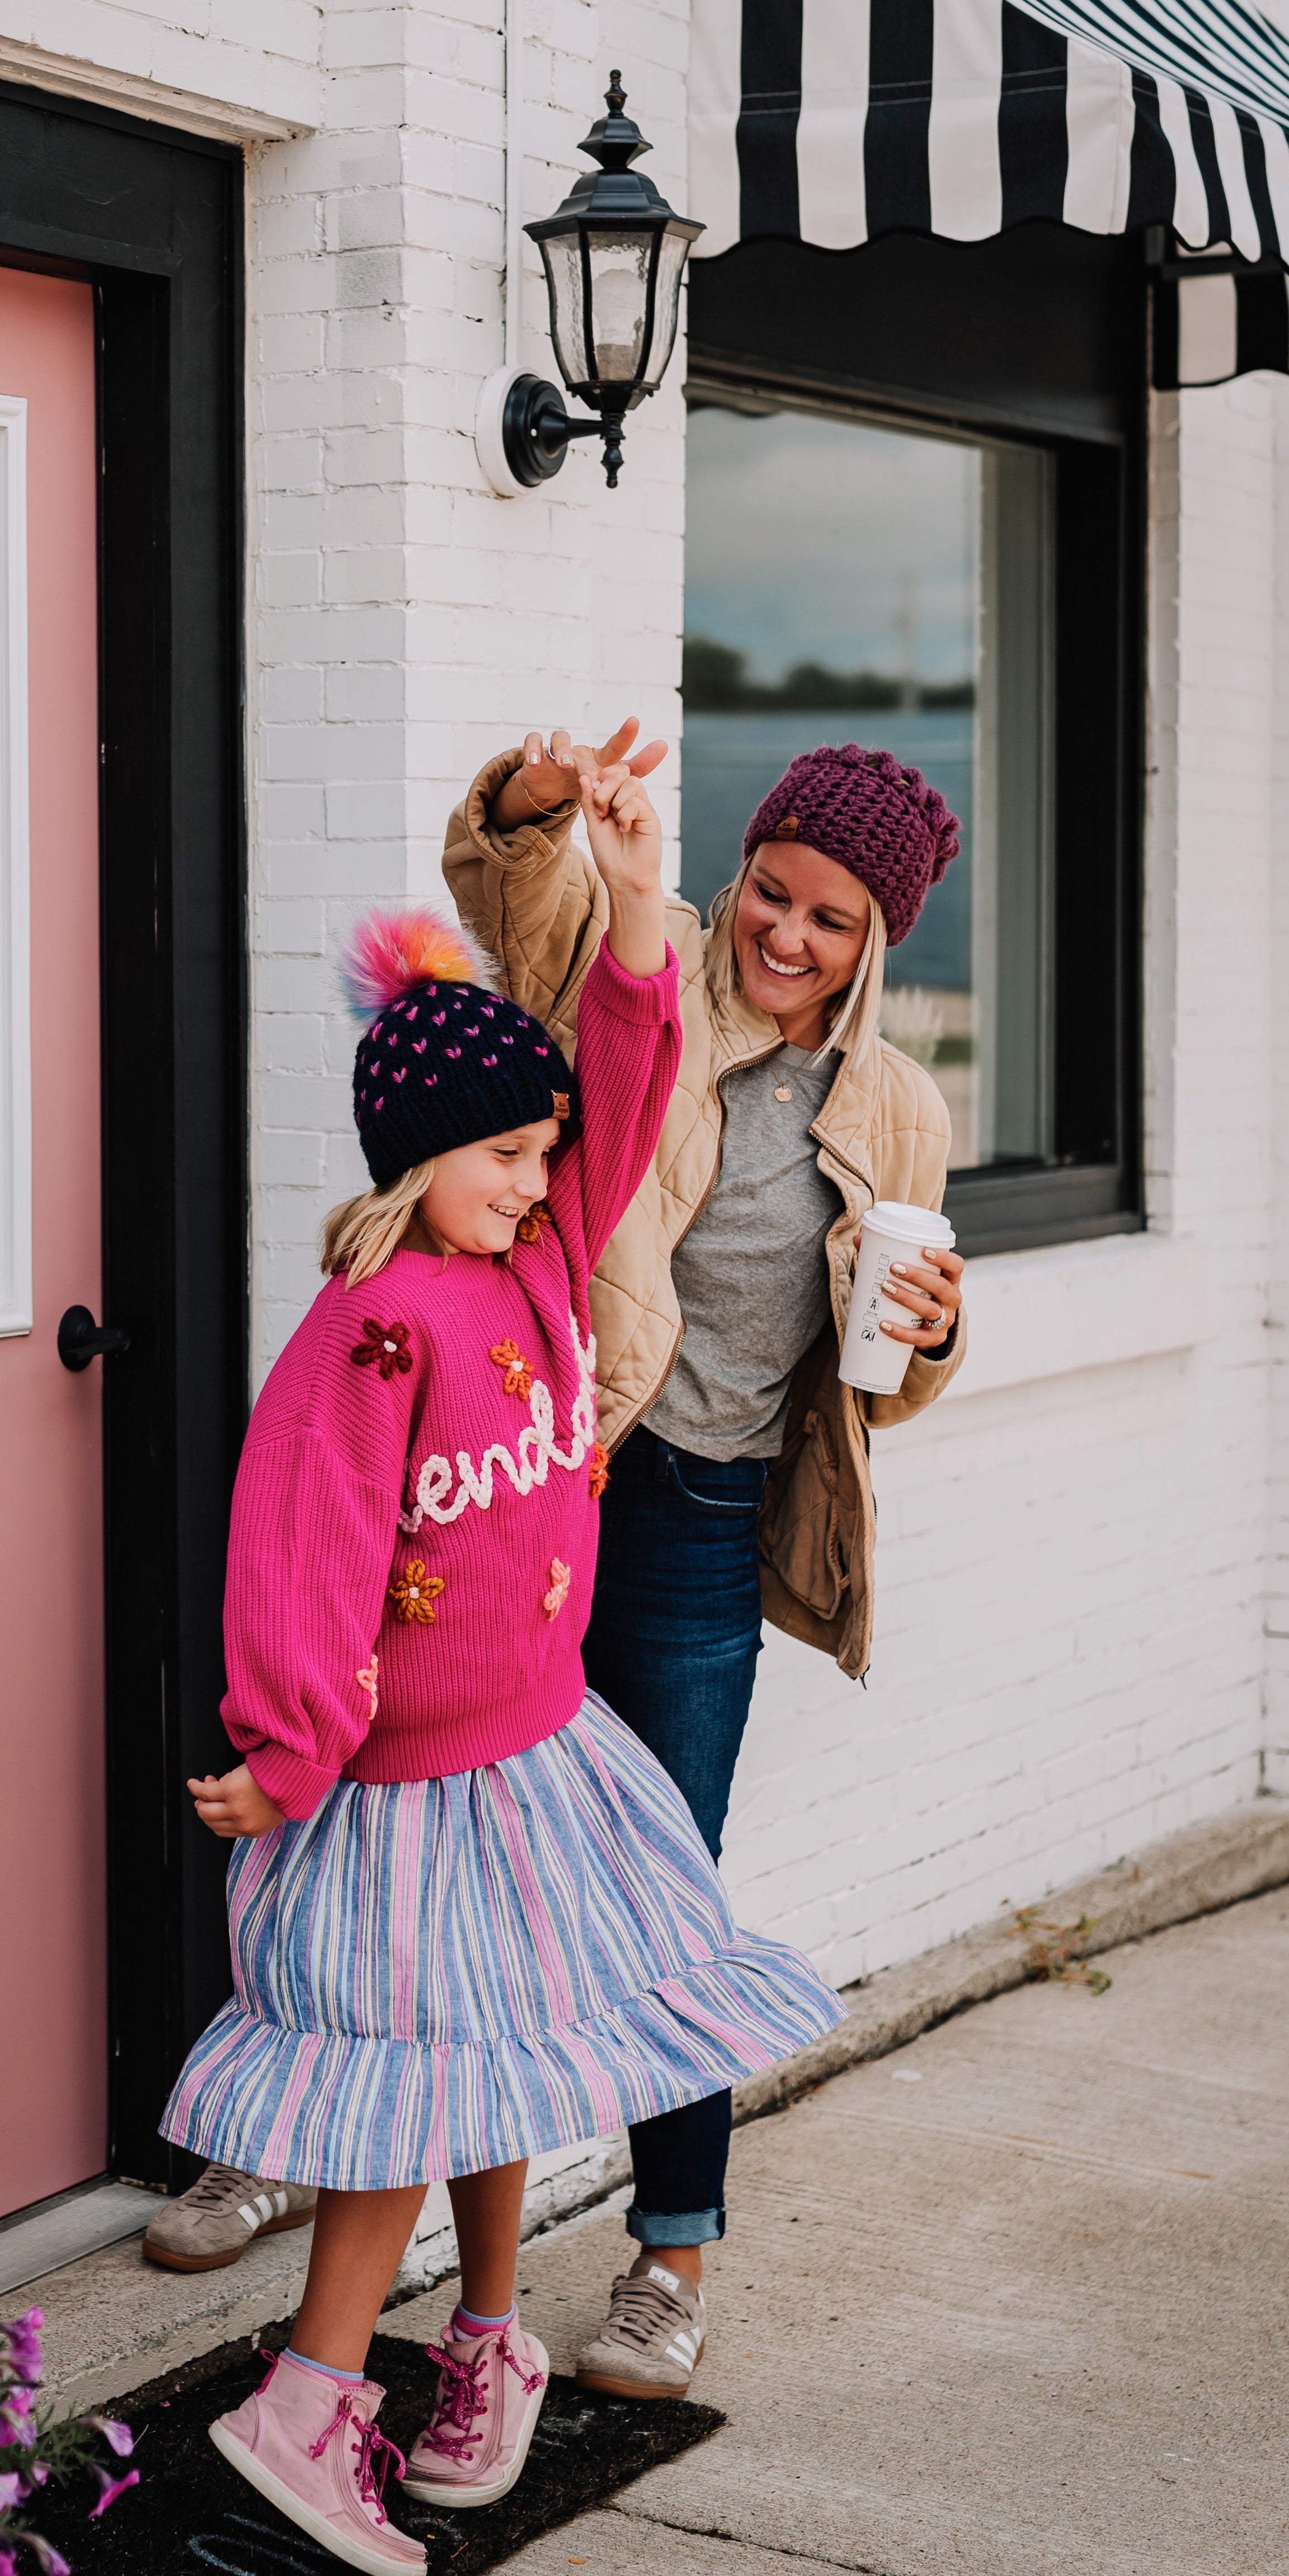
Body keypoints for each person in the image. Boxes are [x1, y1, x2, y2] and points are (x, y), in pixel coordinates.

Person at [154, 737, 845, 2576]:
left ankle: (480, 2337)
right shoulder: (378, 1328)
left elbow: (623, 1080)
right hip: (391, 1791)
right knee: (416, 2070)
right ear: (415, 1155)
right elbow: (297, 1557)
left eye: (545, 1157)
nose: (544, 1185)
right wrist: (285, 1749)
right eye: (505, 1158)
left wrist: (635, 904)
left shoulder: (537, 1265)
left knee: (509, 2062)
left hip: (534, 1758)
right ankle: (307, 2403)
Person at [432, 722, 967, 2405]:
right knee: (436, 1839)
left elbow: (881, 1364)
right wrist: (531, 805)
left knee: (661, 1892)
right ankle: (301, 2150)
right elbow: (513, 900)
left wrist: (938, 1336)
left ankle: (670, 2258)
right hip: (549, 1480)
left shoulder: (894, 1109)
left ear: (879, 940)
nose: (783, 935)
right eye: (769, 889)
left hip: (705, 1522)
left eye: (828, 918)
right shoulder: (641, 977)